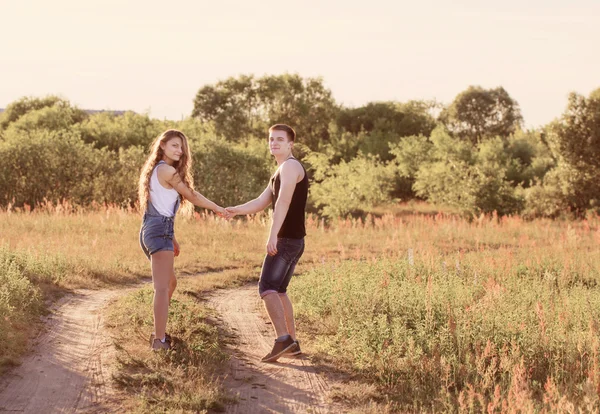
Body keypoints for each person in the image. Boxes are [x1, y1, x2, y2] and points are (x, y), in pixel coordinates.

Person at [226, 124, 308, 362]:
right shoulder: (281, 170)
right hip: (294, 240)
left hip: (286, 240)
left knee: (267, 287)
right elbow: (262, 201)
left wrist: (273, 235)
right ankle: (292, 343)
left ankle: (283, 339)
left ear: (290, 144)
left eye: (280, 139)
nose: (274, 143)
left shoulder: (291, 166)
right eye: (271, 139)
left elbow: (282, 203)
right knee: (279, 290)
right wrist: (235, 211)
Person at [138, 129, 226, 350]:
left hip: (157, 229)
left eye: (182, 147)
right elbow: (192, 196)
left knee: (170, 283)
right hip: (158, 230)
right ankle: (159, 340)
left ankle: (158, 328)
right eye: (175, 145)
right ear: (163, 146)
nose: (180, 150)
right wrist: (217, 208)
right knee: (161, 287)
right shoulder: (166, 170)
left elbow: (161, 206)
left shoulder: (157, 169)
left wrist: (173, 238)